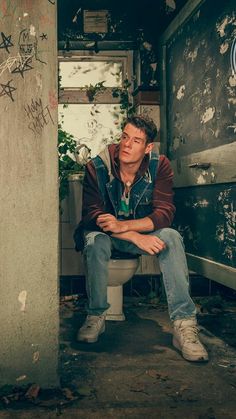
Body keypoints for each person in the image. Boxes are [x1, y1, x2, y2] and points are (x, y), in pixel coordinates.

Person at [74, 115, 208, 362]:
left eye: (136, 141)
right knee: (94, 241)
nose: (126, 144)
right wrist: (134, 235)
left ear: (147, 148)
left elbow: (164, 214)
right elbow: (93, 216)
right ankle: (95, 316)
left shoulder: (160, 165)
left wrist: (126, 226)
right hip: (108, 237)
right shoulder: (98, 167)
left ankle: (184, 325)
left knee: (171, 236)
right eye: (125, 137)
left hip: (138, 232)